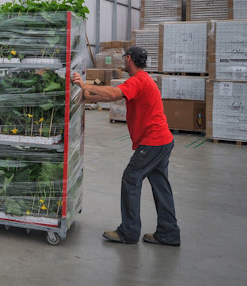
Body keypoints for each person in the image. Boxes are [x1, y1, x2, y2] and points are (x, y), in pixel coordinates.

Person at [71, 46, 180, 246]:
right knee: (161, 186)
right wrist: (89, 98)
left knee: (131, 179)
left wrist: (84, 85)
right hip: (163, 141)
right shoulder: (144, 79)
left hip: (152, 142)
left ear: (129, 58)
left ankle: (128, 232)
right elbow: (116, 96)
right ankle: (168, 232)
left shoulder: (138, 80)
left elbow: (114, 93)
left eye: (124, 59)